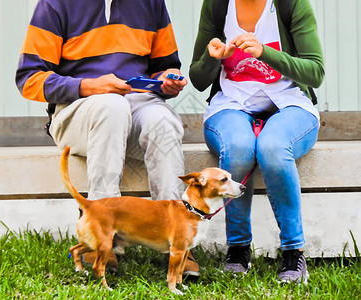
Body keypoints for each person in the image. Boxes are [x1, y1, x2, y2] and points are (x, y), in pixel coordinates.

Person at [16, 0, 199, 277]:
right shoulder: (56, 4)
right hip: (77, 110)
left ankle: (176, 239)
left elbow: (164, 67)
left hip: (136, 103)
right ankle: (100, 238)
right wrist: (88, 85)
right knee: (110, 105)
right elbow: (29, 79)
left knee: (162, 121)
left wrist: (167, 81)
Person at [189, 0, 324, 283]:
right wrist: (214, 58)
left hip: (290, 104)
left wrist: (265, 53)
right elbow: (198, 78)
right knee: (238, 148)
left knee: (272, 147)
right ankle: (238, 250)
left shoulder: (291, 4)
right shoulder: (217, 6)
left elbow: (315, 72)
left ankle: (293, 252)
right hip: (230, 104)